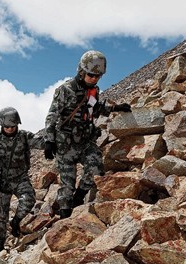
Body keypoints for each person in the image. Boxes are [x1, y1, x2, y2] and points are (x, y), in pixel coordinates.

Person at [43, 50, 131, 219]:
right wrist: (49, 140)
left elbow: (94, 109)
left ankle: (78, 198)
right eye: (91, 75)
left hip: (84, 142)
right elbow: (52, 115)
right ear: (81, 71)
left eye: (98, 76)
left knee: (96, 168)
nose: (94, 79)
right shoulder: (65, 90)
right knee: (67, 184)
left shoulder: (94, 91)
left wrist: (115, 108)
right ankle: (65, 217)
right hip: (65, 145)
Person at [0, 107, 42, 252]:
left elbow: (41, 142)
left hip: (20, 178)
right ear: (1, 124)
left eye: (13, 126)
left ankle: (16, 221)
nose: (9, 129)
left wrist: (52, 142)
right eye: (6, 126)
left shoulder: (24, 136)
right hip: (2, 181)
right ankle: (0, 246)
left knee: (29, 200)